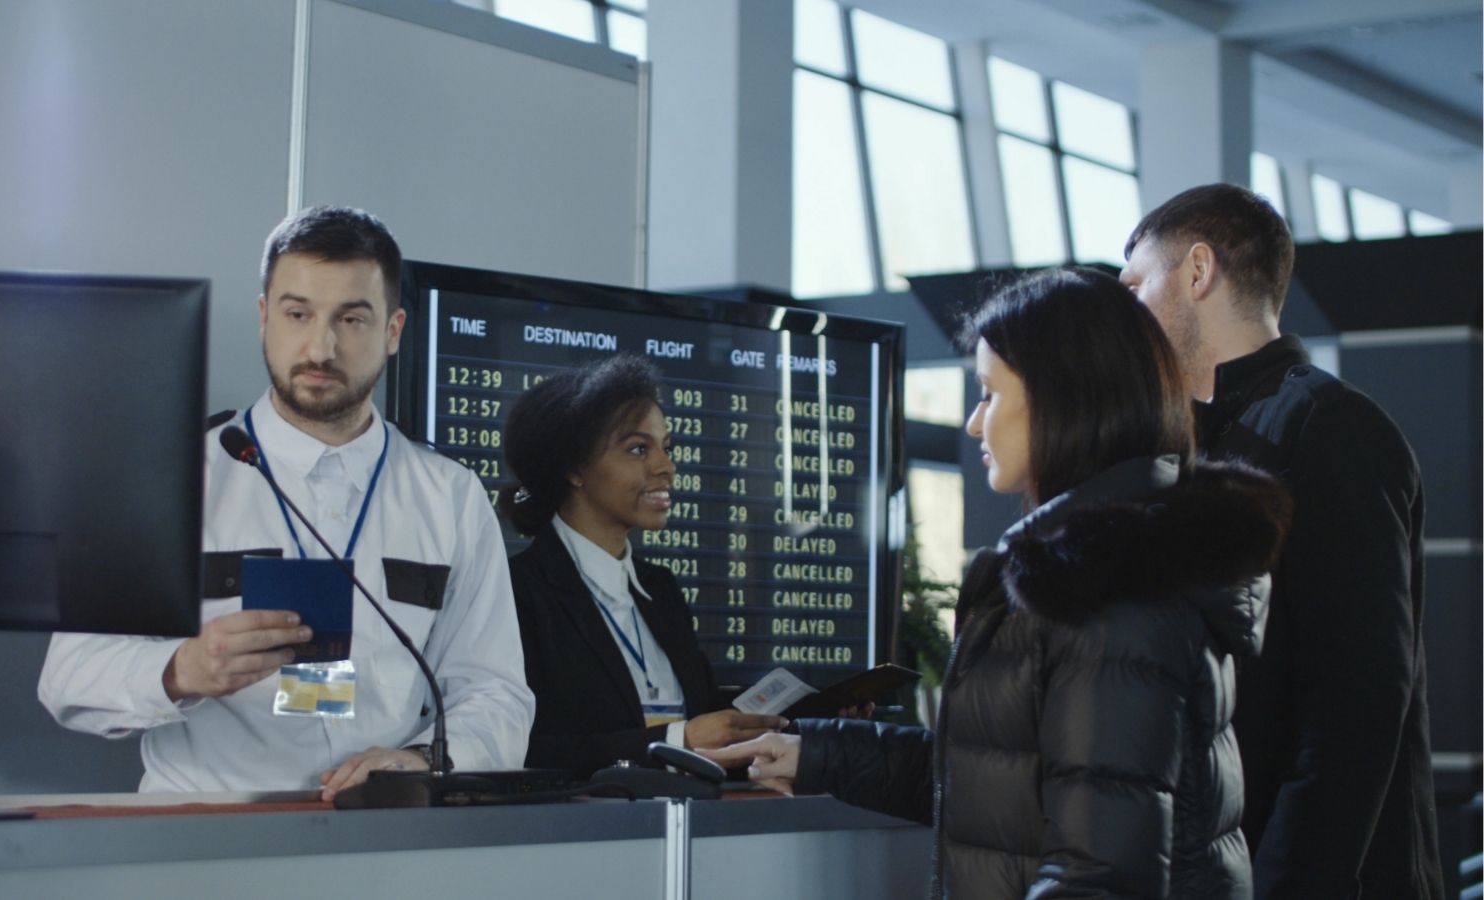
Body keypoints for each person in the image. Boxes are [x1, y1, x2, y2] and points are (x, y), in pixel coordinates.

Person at [705, 268, 1292, 899]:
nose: (973, 424)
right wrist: (814, 752)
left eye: (989, 394)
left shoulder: (1110, 591)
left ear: (1061, 398)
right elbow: (1002, 781)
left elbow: (1101, 877)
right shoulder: (1110, 567)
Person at [39, 206, 533, 798]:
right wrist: (182, 670)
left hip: (386, 833)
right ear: (264, 317)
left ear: (393, 331)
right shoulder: (169, 481)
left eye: (351, 319)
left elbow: (496, 690)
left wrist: (425, 759)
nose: (320, 347)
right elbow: (66, 676)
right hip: (202, 838)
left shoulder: (450, 495)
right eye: (298, 313)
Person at [1119, 183, 1444, 899]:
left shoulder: (1329, 425)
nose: (1127, 315)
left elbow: (1357, 702)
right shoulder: (1191, 444)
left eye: (1137, 285)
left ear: (1198, 271)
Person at [501, 354, 786, 780]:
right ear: (575, 469)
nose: (666, 468)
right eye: (639, 449)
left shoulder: (660, 589)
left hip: (688, 827)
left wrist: (798, 717)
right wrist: (676, 743)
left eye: (666, 448)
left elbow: (705, 718)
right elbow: (520, 747)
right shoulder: (517, 590)